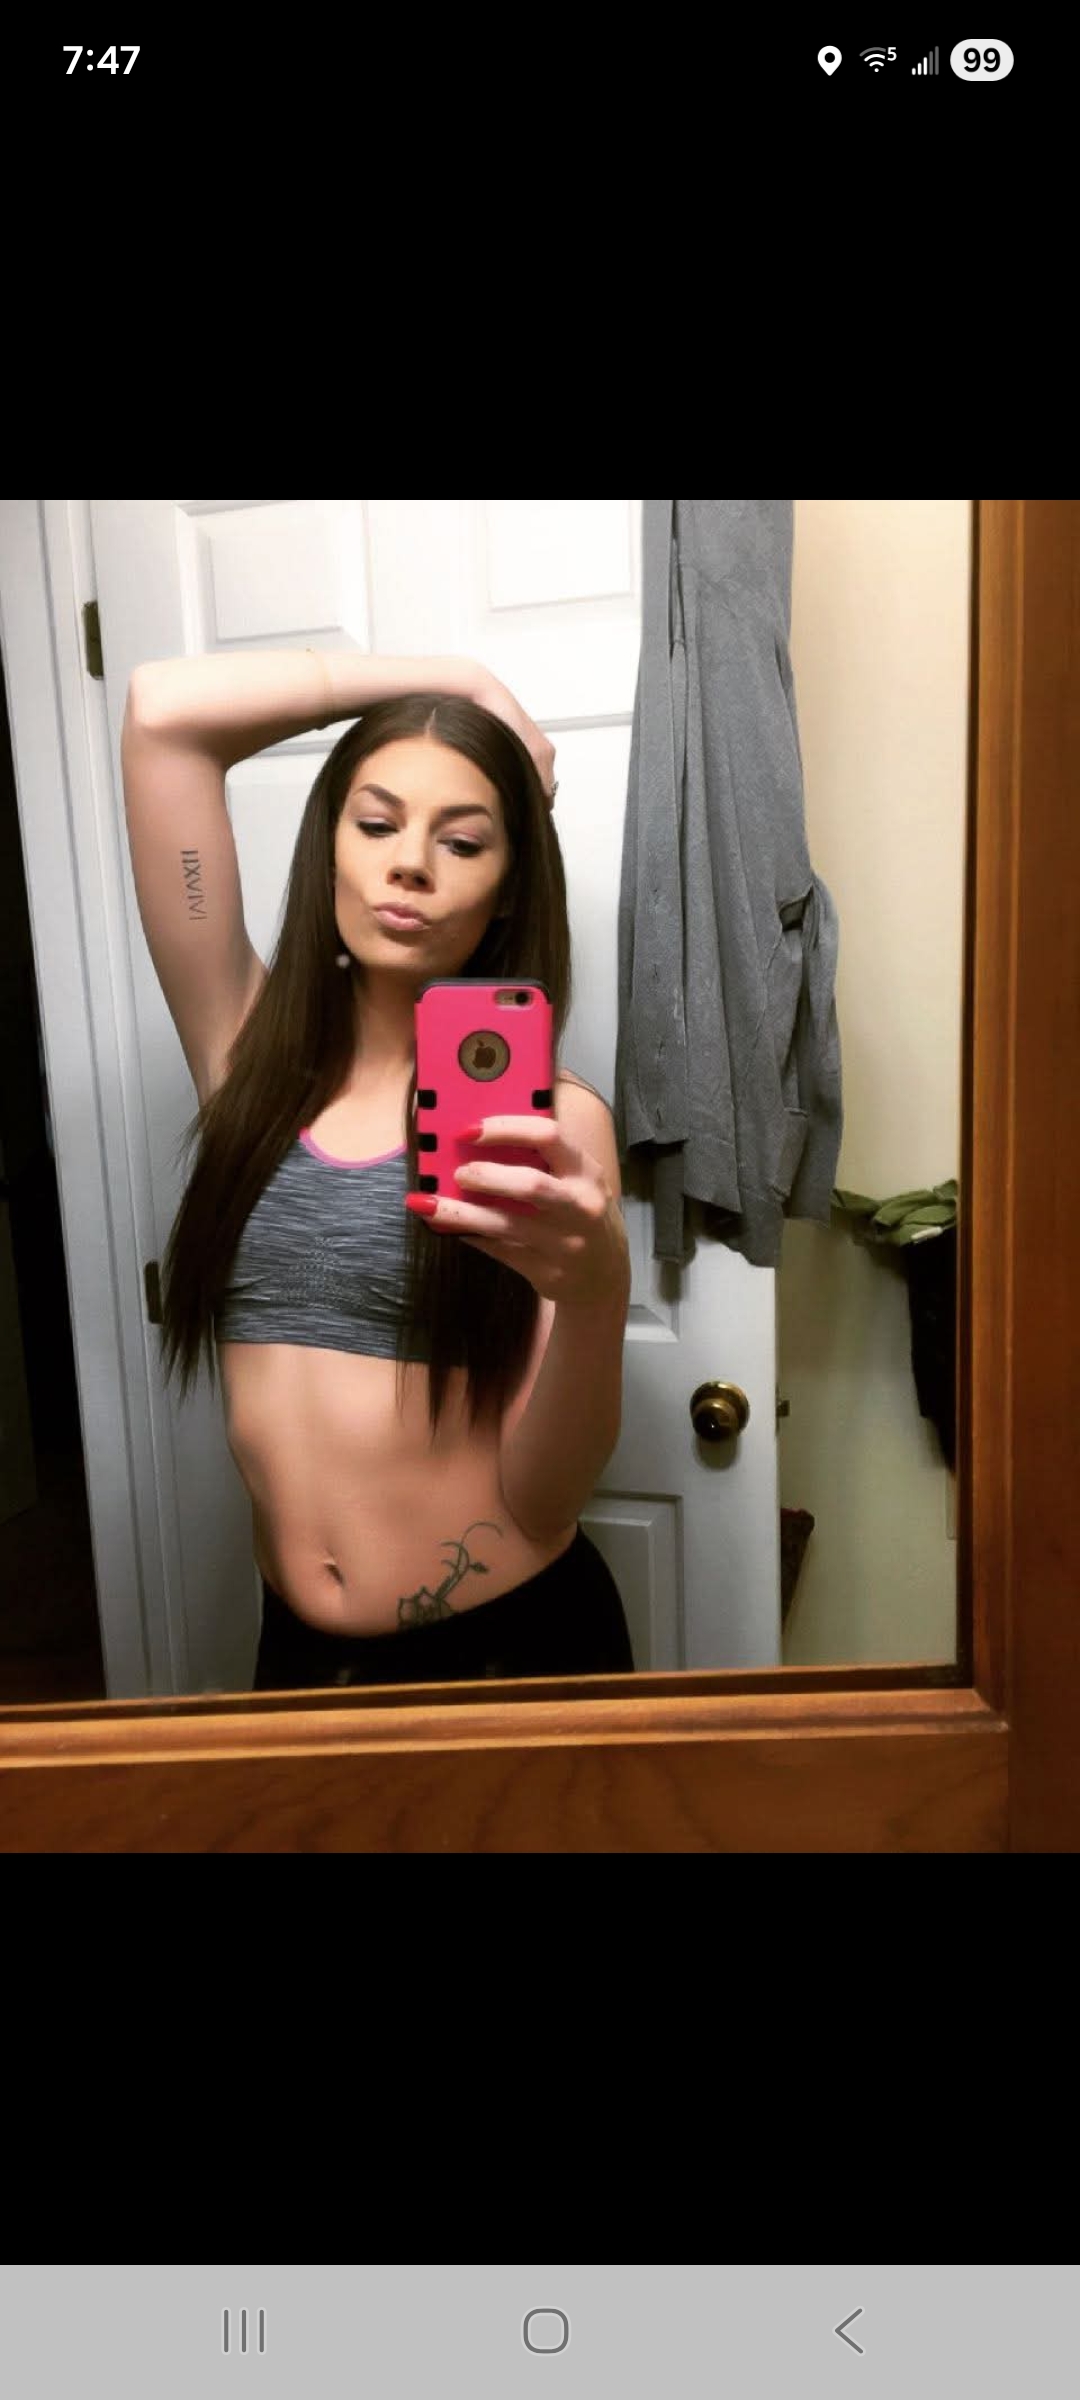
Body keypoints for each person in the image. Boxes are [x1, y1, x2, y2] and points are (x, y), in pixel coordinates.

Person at [120, 649, 635, 1691]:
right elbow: (162, 716)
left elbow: (546, 1500)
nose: (411, 864)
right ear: (329, 854)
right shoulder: (245, 1060)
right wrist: (457, 678)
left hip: (509, 1658)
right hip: (297, 1659)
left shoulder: (553, 1119)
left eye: (462, 841)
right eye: (376, 823)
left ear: (506, 893)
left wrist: (596, 1295)